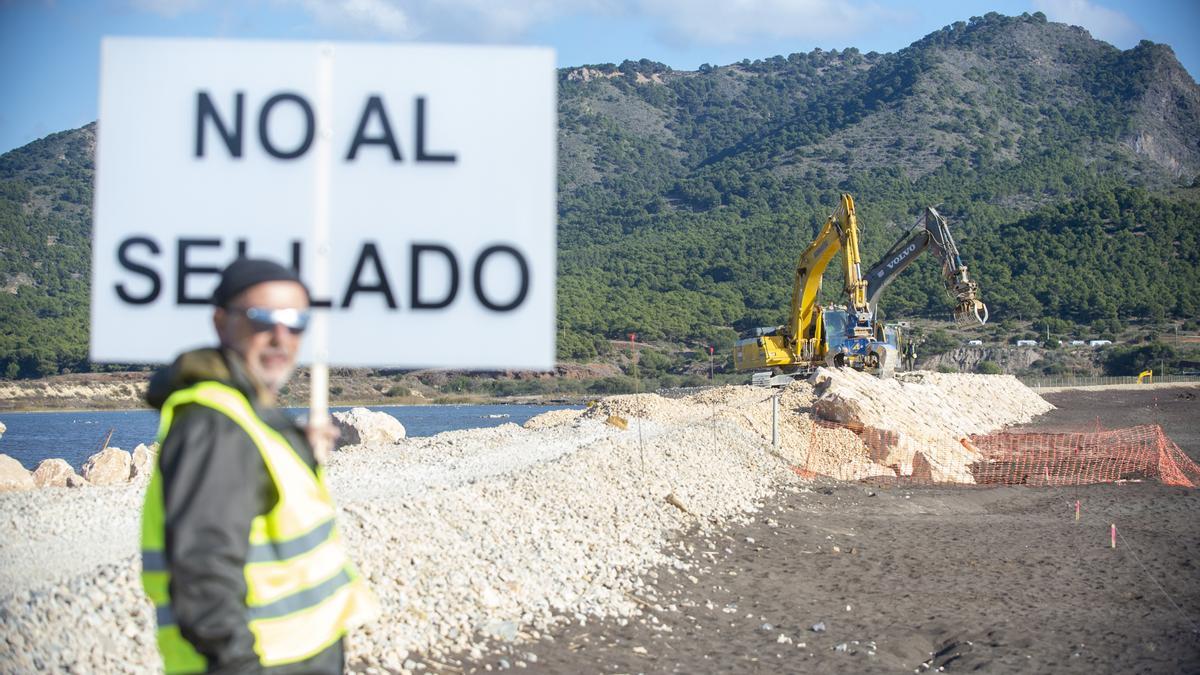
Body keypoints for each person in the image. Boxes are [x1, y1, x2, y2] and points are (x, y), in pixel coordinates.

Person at [141, 258, 378, 674]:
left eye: (297, 322)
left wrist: (298, 445)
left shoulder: (248, 411)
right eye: (262, 319)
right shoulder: (215, 425)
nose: (280, 337)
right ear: (221, 322)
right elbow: (204, 577)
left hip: (297, 656)